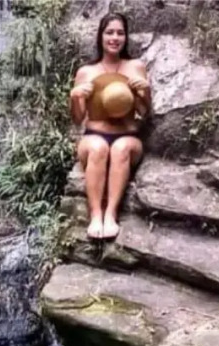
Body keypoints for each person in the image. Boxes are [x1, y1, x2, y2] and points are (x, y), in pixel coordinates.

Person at [70, 12, 150, 240]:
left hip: (128, 137)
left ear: (126, 37)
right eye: (109, 32)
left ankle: (110, 215)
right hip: (94, 135)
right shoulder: (86, 72)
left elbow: (144, 113)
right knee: (98, 148)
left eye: (120, 33)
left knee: (121, 148)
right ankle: (95, 214)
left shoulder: (136, 67)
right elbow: (78, 118)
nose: (115, 38)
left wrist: (145, 91)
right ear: (101, 36)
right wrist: (75, 97)